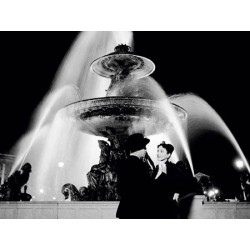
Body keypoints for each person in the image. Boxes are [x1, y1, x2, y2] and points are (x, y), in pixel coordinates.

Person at [116, 133, 157, 219]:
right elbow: (147, 187)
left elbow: (120, 189)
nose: (145, 150)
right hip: (139, 209)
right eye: (144, 148)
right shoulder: (142, 165)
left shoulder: (121, 164)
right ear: (139, 148)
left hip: (125, 208)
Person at [154, 142, 198, 218]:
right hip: (155, 203)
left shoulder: (173, 168)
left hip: (167, 204)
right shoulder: (156, 167)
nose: (158, 153)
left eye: (161, 151)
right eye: (157, 150)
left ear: (168, 155)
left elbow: (182, 182)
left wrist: (177, 192)